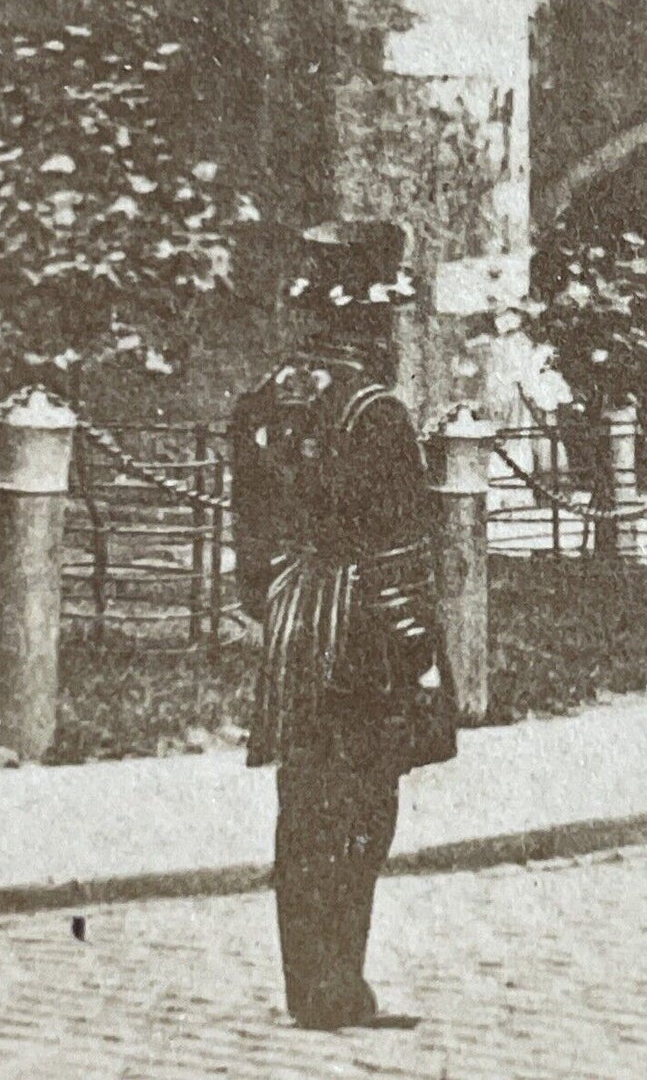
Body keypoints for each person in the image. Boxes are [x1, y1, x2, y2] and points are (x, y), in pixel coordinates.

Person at [230, 219, 458, 1031]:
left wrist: (282, 602)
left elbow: (250, 548)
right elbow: (399, 552)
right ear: (370, 320)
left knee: (303, 802)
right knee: (363, 804)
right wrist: (423, 657)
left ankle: (308, 984)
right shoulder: (376, 414)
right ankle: (340, 985)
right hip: (361, 627)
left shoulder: (262, 402)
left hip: (293, 621)